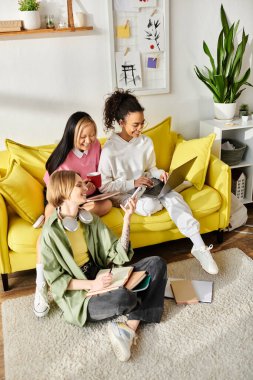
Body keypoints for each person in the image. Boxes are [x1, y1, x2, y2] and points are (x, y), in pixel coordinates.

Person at [40, 170, 167, 362]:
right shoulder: (50, 233)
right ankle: (138, 310)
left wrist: (127, 220)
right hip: (80, 294)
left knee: (157, 263)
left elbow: (118, 254)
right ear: (64, 192)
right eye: (79, 185)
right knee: (125, 298)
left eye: (84, 183)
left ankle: (127, 329)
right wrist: (94, 285)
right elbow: (56, 281)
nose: (85, 188)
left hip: (101, 274)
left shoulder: (89, 219)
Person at [98, 89, 219, 275]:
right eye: (135, 125)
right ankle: (164, 195)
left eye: (142, 123)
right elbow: (104, 186)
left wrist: (160, 174)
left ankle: (199, 246)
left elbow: (151, 167)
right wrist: (133, 182)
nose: (140, 128)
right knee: (149, 206)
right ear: (121, 122)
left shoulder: (145, 142)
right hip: (124, 193)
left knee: (173, 197)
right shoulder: (109, 150)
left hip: (147, 185)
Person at [34, 112, 112, 318]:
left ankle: (78, 215)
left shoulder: (96, 147)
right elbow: (54, 194)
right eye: (83, 137)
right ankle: (40, 286)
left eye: (92, 135)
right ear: (71, 135)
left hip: (87, 198)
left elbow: (100, 175)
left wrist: (88, 186)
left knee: (107, 206)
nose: (89, 141)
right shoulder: (62, 160)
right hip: (60, 200)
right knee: (48, 228)